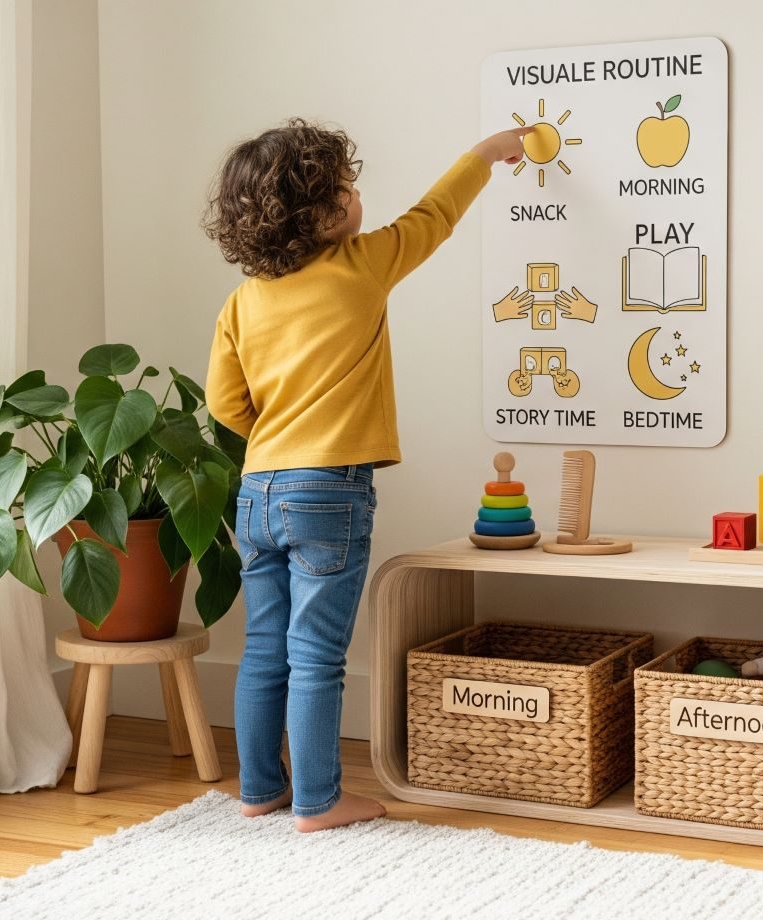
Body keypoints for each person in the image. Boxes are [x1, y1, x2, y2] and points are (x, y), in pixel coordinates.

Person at [203, 119, 530, 831]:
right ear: (323, 216)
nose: (359, 199)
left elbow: (225, 405)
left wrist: (277, 439)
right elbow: (434, 215)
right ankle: (320, 800)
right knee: (316, 652)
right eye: (347, 190)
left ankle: (260, 787)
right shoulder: (362, 265)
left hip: (258, 490)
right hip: (329, 491)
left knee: (265, 645)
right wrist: (485, 152)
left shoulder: (243, 300)